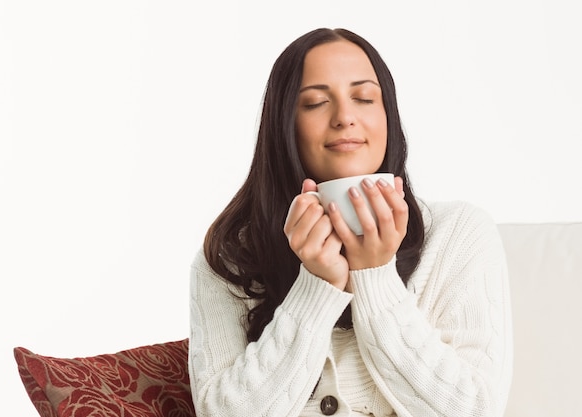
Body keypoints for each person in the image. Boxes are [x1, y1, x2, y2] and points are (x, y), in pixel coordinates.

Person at [188, 27, 513, 417]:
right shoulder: (229, 257)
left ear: (388, 115)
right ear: (284, 126)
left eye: (363, 98)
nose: (345, 117)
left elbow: (475, 410)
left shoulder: (459, 233)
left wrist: (375, 276)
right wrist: (317, 287)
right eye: (315, 103)